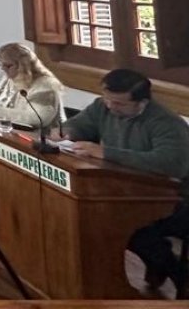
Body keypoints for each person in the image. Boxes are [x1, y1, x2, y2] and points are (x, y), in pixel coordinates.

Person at [56, 69, 189, 299]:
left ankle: (178, 273)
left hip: (173, 198)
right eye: (107, 99)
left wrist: (106, 153)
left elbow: (170, 164)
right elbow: (79, 124)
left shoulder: (166, 123)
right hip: (125, 190)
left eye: (118, 103)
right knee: (91, 216)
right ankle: (158, 264)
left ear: (142, 102)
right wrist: (67, 133)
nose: (110, 107)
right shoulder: (102, 106)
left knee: (122, 225)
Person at [0, 42, 64, 128]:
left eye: (8, 65)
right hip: (7, 128)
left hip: (38, 134)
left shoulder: (45, 85)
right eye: (1, 63)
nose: (2, 68)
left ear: (24, 65)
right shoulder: (8, 78)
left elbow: (38, 118)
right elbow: (0, 101)